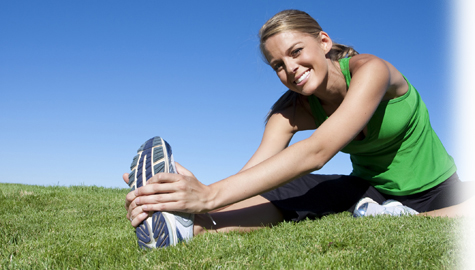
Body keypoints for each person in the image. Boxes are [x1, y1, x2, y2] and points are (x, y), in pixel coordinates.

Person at [123, 9, 474, 249]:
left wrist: (210, 193)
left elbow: (318, 151)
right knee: (288, 190)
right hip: (370, 191)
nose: (290, 68)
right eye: (278, 64)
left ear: (323, 42)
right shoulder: (293, 110)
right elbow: (258, 172)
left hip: (437, 189)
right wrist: (195, 203)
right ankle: (194, 229)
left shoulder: (372, 71)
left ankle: (407, 219)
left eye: (296, 51)